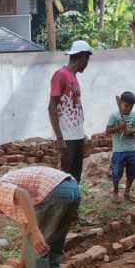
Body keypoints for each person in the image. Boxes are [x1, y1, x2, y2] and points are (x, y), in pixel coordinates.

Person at [48, 40, 93, 182]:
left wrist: (81, 133)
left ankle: (74, 201)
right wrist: (59, 138)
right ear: (82, 57)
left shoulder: (74, 77)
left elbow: (76, 107)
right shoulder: (61, 75)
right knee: (66, 176)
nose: (87, 63)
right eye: (87, 59)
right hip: (67, 137)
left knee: (76, 175)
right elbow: (52, 107)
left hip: (77, 135)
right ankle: (65, 202)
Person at [106, 91, 135, 201]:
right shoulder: (114, 116)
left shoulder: (134, 115)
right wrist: (119, 127)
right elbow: (107, 131)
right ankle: (115, 192)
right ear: (120, 104)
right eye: (126, 106)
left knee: (132, 173)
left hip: (132, 149)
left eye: (130, 107)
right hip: (118, 151)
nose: (128, 109)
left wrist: (131, 130)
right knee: (116, 172)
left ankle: (127, 192)